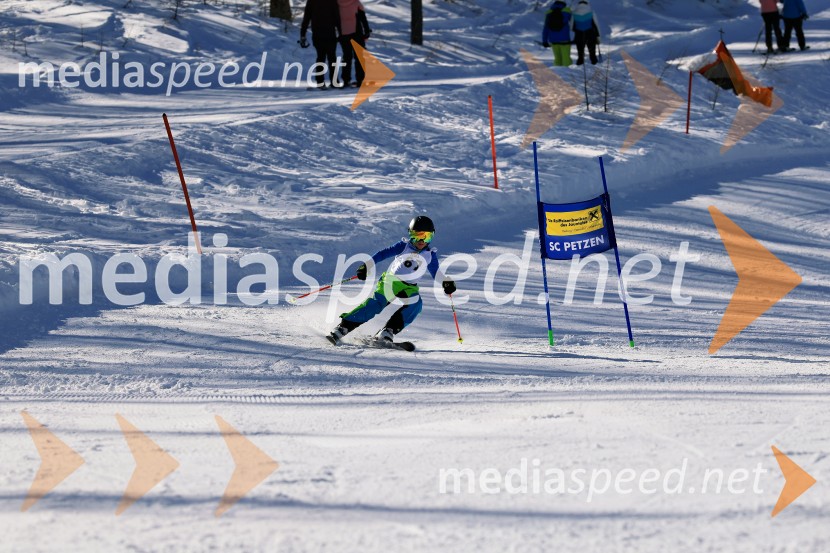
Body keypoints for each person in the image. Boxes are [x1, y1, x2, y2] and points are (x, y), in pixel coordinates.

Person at [327, 216, 456, 346]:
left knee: (416, 305)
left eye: (427, 236)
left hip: (409, 287)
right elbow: (382, 254)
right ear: (410, 234)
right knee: (376, 305)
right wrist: (366, 266)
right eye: (417, 235)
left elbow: (436, 273)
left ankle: (388, 331)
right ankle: (343, 328)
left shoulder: (430, 255)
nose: (421, 240)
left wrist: (446, 282)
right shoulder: (403, 246)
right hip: (391, 282)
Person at [300, 0, 342, 89]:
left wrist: (303, 35)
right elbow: (337, 18)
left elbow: (306, 18)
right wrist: (340, 33)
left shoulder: (311, 1)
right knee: (332, 58)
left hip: (317, 33)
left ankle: (320, 82)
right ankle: (334, 82)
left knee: (320, 57)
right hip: (330, 33)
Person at [337, 0, 372, 87]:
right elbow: (363, 17)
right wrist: (367, 31)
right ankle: (360, 80)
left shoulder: (337, 4)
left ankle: (346, 80)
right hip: (357, 33)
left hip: (344, 34)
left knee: (346, 57)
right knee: (359, 57)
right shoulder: (356, 3)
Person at [542, 1, 572, 67]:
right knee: (566, 59)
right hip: (565, 39)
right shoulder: (567, 11)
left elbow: (546, 28)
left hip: (553, 40)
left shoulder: (548, 12)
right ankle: (569, 75)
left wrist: (544, 41)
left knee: (557, 59)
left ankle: (558, 73)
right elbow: (573, 24)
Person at [571, 0, 601, 65]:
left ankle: (579, 69)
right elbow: (596, 25)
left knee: (580, 54)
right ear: (587, 3)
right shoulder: (591, 12)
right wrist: (598, 37)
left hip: (579, 34)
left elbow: (571, 27)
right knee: (592, 54)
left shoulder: (574, 13)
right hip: (591, 34)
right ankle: (595, 68)